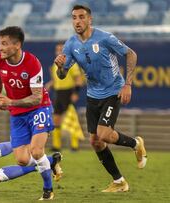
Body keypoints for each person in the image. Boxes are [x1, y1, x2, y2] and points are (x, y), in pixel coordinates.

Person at [54, 4, 147, 192]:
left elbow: (131, 54)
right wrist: (60, 67)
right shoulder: (71, 44)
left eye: (81, 17)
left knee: (104, 134)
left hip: (113, 91)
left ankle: (136, 143)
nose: (77, 21)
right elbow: (64, 75)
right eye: (74, 17)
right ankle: (119, 181)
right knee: (96, 142)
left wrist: (127, 84)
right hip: (92, 95)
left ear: (90, 19)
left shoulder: (105, 38)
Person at [0, 26, 56, 200]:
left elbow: (36, 97)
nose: (0, 48)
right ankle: (51, 161)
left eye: (4, 44)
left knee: (35, 151)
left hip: (39, 108)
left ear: (17, 44)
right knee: (21, 159)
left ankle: (48, 190)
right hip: (17, 114)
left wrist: (10, 102)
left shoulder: (33, 63)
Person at [45, 41, 84, 151]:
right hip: (58, 93)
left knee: (72, 118)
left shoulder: (71, 64)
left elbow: (78, 80)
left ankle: (74, 145)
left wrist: (75, 93)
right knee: (56, 118)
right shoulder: (55, 64)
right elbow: (56, 79)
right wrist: (49, 85)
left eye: (61, 50)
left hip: (68, 92)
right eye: (57, 50)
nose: (59, 52)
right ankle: (56, 146)